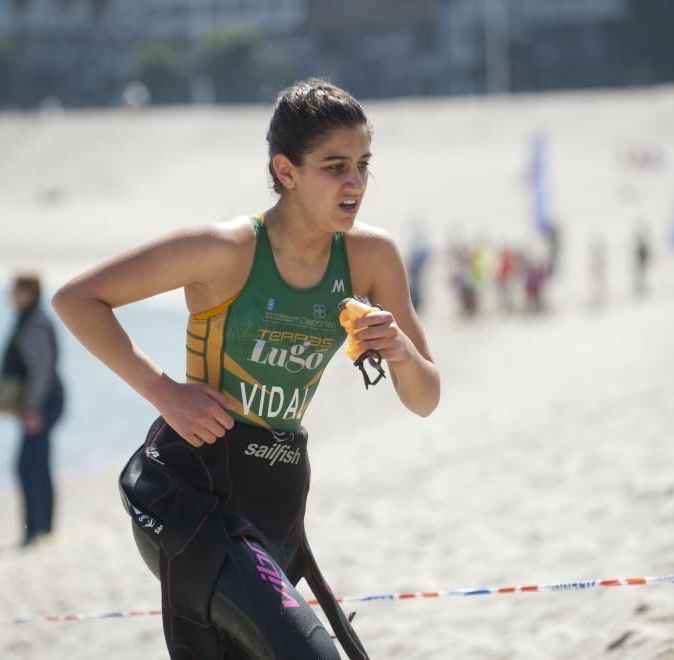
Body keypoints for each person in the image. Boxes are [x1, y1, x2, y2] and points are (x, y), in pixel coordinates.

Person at [53, 78, 440, 660]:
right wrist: (163, 392)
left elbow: (426, 397)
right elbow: (76, 300)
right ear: (286, 171)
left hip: (278, 497)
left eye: (363, 165)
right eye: (335, 166)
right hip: (188, 489)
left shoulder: (370, 257)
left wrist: (403, 353)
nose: (356, 183)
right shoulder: (226, 249)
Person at [0, 273, 65, 547]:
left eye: (16, 290)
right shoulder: (30, 319)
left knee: (27, 467)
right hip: (44, 402)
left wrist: (33, 409)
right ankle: (42, 528)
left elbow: (41, 371)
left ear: (29, 292)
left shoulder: (34, 324)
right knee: (38, 466)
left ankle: (34, 530)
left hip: (42, 404)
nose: (11, 295)